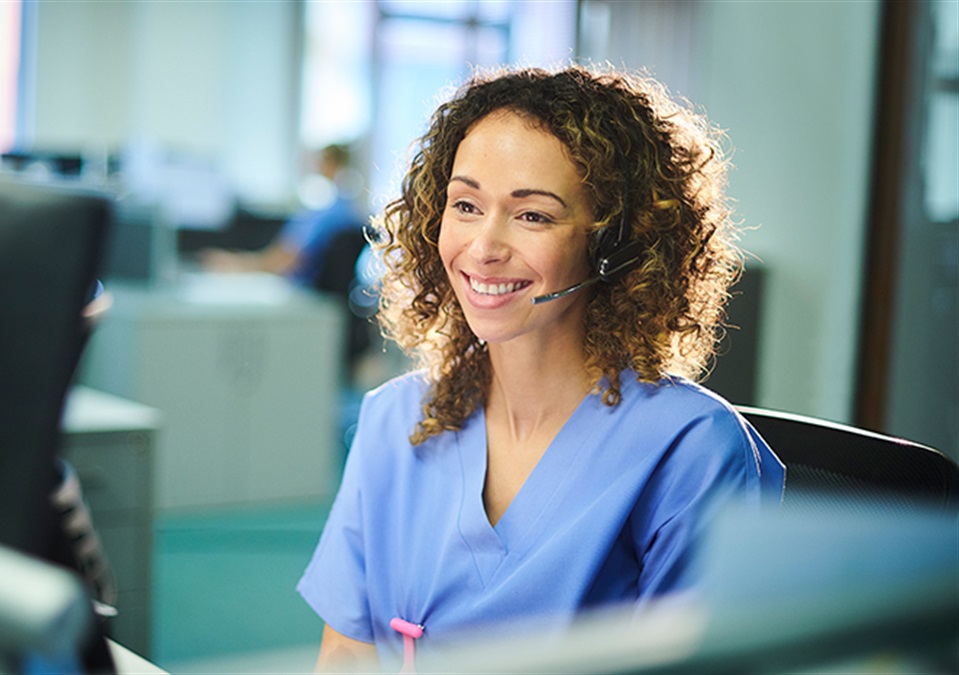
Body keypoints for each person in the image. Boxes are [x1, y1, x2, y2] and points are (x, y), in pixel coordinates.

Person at [295, 64, 785, 672]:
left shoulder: (691, 450)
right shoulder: (394, 418)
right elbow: (346, 652)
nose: (484, 247)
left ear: (615, 243)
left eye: (533, 216)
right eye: (466, 205)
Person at [200, 143, 366, 287]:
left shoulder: (325, 214)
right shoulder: (347, 210)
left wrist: (240, 266)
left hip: (304, 296)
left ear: (331, 164)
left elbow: (287, 259)